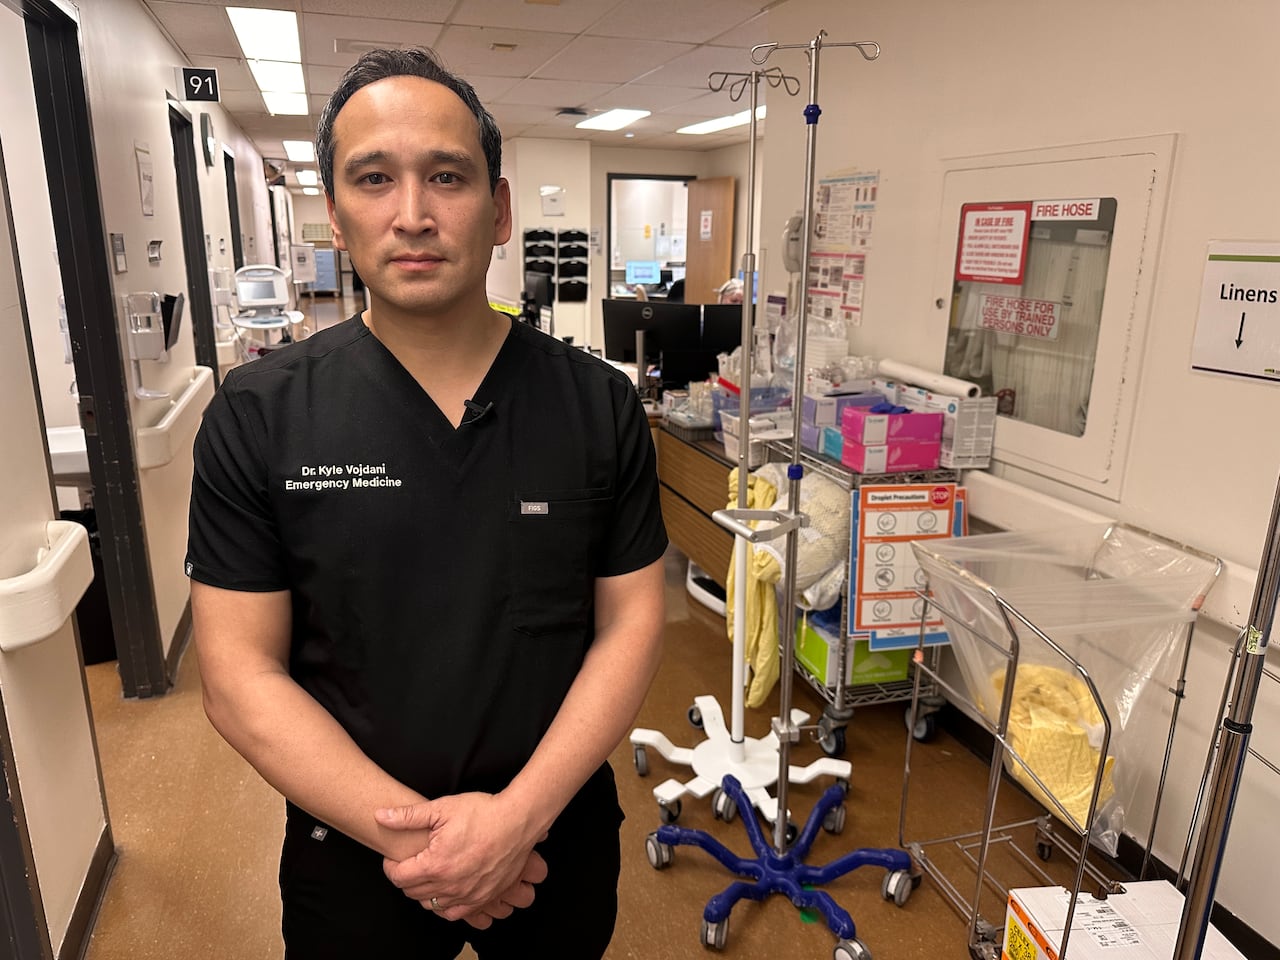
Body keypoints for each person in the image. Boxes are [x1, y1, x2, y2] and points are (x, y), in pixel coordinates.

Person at [186, 47, 667, 959]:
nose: (412, 214)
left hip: (550, 834)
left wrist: (514, 823)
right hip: (355, 846)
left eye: (446, 176)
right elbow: (239, 678)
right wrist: (429, 848)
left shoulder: (594, 403)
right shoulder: (261, 415)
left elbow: (633, 622)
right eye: (374, 179)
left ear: (499, 209)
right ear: (334, 212)